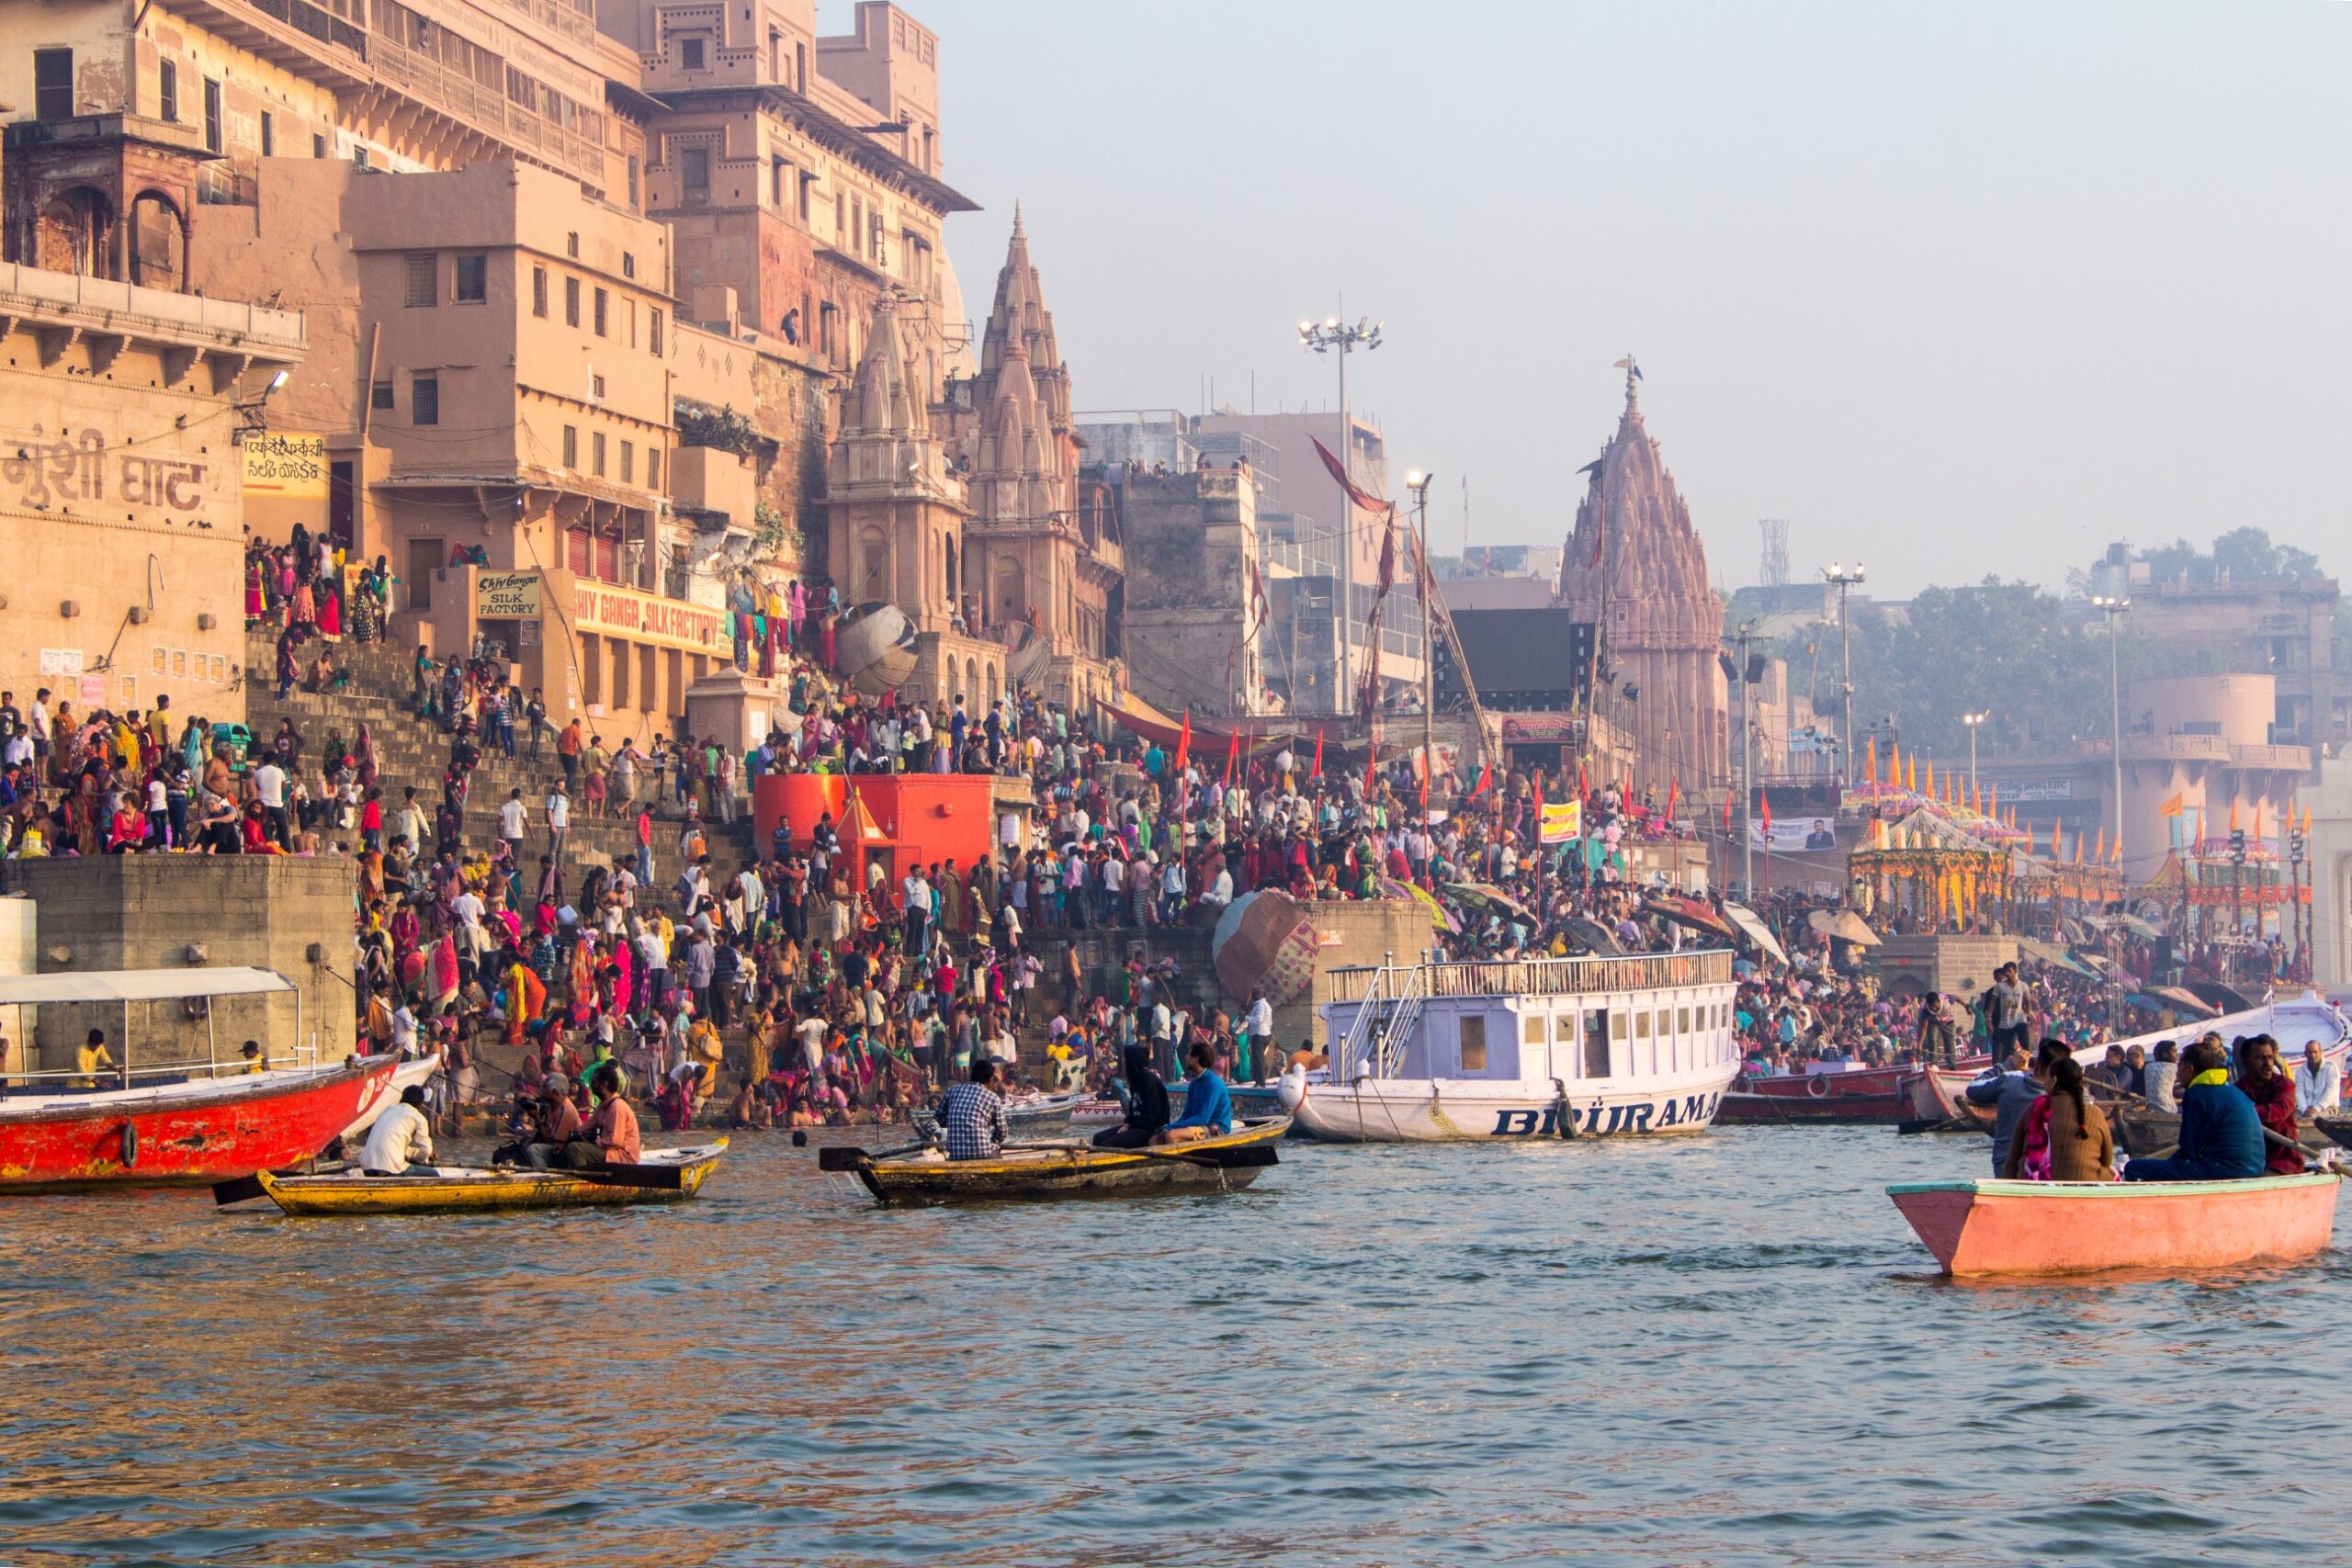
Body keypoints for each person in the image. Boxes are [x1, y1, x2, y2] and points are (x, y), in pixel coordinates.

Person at [2123, 1039, 2266, 1182]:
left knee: (2133, 1167)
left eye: (2179, 1066)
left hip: (2227, 1170)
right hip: (2255, 1168)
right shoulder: (2230, 1088)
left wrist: (2166, 1164)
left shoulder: (2196, 1093)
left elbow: (2189, 1149)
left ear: (2189, 1069)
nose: (2177, 1074)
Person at [2001, 1055, 2114, 1182]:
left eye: (2046, 1078)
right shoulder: (2095, 1112)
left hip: (2034, 1184)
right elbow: (2107, 1159)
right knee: (2112, 1171)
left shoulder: (2033, 1109)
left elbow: (2012, 1159)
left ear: (2053, 1081)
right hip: (2086, 1183)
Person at [1964, 1041, 2049, 1179]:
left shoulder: (2010, 1079)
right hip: (2045, 1170)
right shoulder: (2066, 1092)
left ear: (2037, 1064)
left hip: (2006, 1166)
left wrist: (2008, 1065)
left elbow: (1973, 1088)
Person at [2236, 1034, 2305, 1176]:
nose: (2267, 1063)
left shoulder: (2285, 1085)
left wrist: (2243, 1114)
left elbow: (2278, 1112)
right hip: (2249, 1159)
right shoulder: (2237, 1089)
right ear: (2245, 1062)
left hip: (2283, 1160)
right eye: (2260, 1058)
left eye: (2270, 1057)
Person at [1091, 1043, 1170, 1148]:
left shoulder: (1149, 1081)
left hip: (1150, 1130)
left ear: (1132, 1061)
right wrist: (1127, 1124)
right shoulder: (1135, 1081)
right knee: (1098, 1138)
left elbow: (1153, 1118)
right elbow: (1134, 1111)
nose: (1122, 1061)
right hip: (1137, 1126)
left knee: (1107, 1145)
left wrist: (1131, 1126)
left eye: (1125, 1058)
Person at [1157, 1040, 1231, 1145]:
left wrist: (1171, 1128)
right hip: (1199, 1126)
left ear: (1196, 1058)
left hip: (1215, 1128)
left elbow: (1202, 1119)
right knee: (1155, 1139)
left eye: (1188, 1054)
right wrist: (1167, 1127)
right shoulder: (1194, 1084)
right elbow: (1187, 1114)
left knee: (1172, 1135)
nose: (1185, 1057)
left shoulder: (1213, 1083)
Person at [936, 1056, 1010, 1160]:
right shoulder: (993, 1098)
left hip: (955, 1154)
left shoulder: (952, 1091)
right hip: (983, 1153)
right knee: (997, 1155)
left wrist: (954, 1122)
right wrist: (993, 1141)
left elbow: (938, 1117)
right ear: (989, 1080)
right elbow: (1002, 1131)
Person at [361, 1085, 435, 1176]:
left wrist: (413, 1153)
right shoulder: (419, 1118)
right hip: (390, 1168)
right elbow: (426, 1150)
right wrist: (421, 1159)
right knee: (434, 1174)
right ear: (420, 1105)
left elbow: (391, 1145)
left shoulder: (388, 1110)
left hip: (366, 1166)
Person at [579, 1064, 641, 1168]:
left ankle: (583, 1176)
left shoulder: (617, 1107)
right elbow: (590, 1123)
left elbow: (615, 1141)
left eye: (594, 1082)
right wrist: (574, 1132)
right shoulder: (603, 1105)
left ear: (604, 1085)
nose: (591, 1086)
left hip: (623, 1156)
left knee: (576, 1149)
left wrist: (594, 1143)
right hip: (611, 1151)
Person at [2294, 1041, 2339, 1117]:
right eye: (2309, 1052)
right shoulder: (2300, 1071)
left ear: (2321, 1052)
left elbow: (2332, 1090)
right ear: (2305, 1054)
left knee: (2314, 1116)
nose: (2313, 1055)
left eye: (2315, 1052)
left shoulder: (2330, 1067)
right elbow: (2299, 1093)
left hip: (2328, 1107)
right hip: (2307, 1108)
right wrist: (2304, 1110)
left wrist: (2317, 1108)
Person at [2143, 1040, 2180, 1110]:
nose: (2177, 1054)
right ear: (2165, 1054)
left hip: (2150, 1106)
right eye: (2174, 1051)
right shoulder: (2173, 1067)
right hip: (2167, 1108)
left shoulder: (2148, 1067)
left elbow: (2163, 1085)